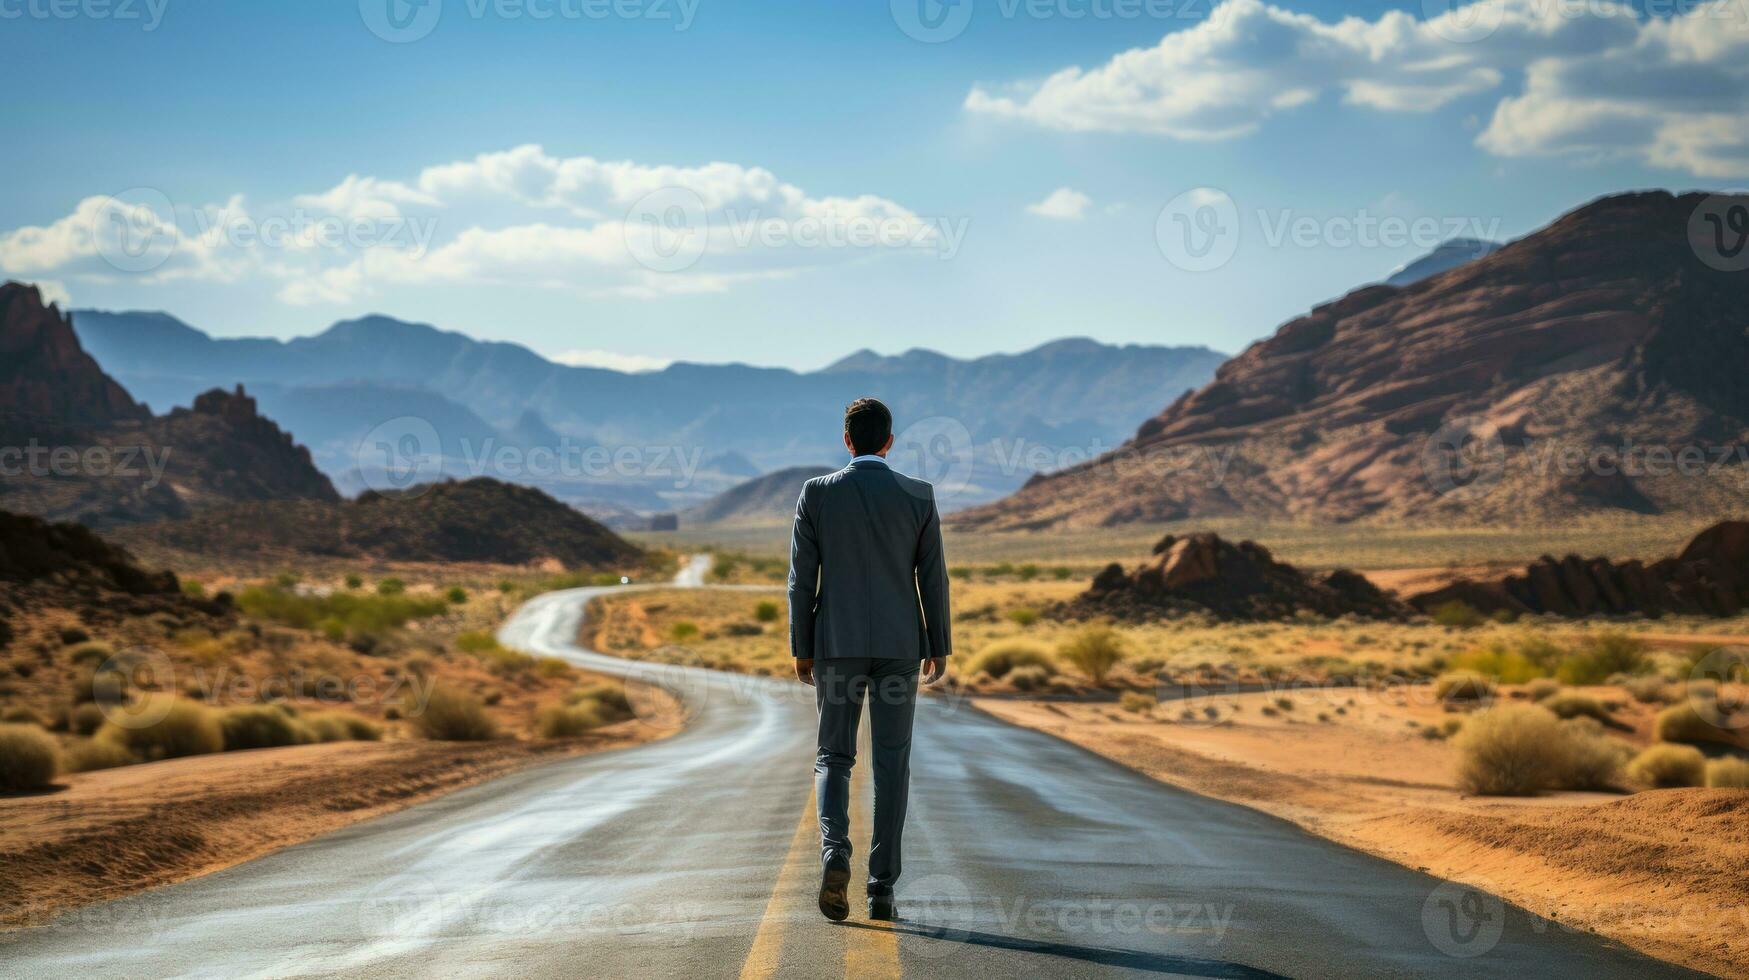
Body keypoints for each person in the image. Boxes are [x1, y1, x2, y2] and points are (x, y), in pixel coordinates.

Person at [787, 397, 951, 922]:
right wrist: (938, 643)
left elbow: (800, 580)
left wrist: (802, 645)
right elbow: (933, 576)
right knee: (891, 764)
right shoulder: (919, 495)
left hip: (836, 647)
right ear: (889, 442)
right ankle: (882, 889)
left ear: (846, 441)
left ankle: (835, 853)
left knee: (833, 757)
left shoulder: (816, 494)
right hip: (900, 648)